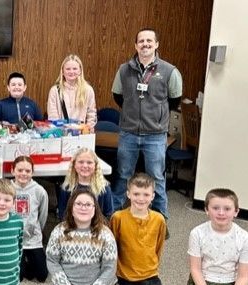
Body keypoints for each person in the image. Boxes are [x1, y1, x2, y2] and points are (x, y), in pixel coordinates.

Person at [111, 28, 183, 218]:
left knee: (157, 179)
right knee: (122, 177)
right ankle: (112, 218)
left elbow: (174, 100)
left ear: (156, 44)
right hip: (128, 133)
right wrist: (132, 112)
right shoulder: (124, 70)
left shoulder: (169, 71)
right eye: (141, 41)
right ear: (136, 45)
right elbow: (118, 96)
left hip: (155, 135)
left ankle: (161, 220)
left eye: (149, 41)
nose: (145, 44)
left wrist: (156, 115)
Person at [46, 188, 117, 285]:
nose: (83, 207)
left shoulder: (105, 234)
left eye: (87, 204)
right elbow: (52, 262)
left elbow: (110, 268)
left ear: (94, 209)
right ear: (71, 208)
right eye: (78, 204)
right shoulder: (59, 231)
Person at [110, 173, 168, 285]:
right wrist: (118, 271)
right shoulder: (118, 217)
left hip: (151, 275)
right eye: (136, 194)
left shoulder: (159, 219)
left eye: (146, 194)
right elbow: (113, 246)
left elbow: (159, 247)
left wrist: (152, 266)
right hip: (128, 276)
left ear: (153, 196)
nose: (141, 199)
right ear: (128, 194)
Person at [11, 156, 49, 282]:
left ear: (32, 172)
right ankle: (23, 260)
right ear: (13, 171)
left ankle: (28, 257)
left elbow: (42, 215)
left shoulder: (39, 191)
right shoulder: (7, 189)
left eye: (27, 171)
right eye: (20, 170)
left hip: (33, 238)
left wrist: (35, 229)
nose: (23, 174)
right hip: (14, 239)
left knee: (42, 275)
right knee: (19, 276)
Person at [58, 148, 113, 220]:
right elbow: (63, 215)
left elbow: (108, 214)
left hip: (97, 228)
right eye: (81, 162)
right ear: (74, 164)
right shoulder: (67, 188)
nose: (85, 166)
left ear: (95, 165)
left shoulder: (104, 188)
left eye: (89, 162)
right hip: (72, 227)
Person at [47, 54, 97, 129]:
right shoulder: (54, 91)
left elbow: (91, 115)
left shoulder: (88, 90)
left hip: (81, 135)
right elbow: (53, 117)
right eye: (68, 69)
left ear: (80, 71)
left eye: (75, 69)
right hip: (61, 135)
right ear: (63, 71)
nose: (71, 71)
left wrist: (86, 130)